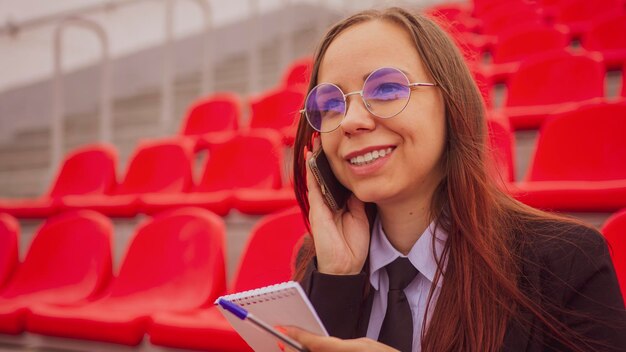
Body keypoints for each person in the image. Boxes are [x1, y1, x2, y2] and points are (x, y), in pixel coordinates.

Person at [284, 6, 626, 352]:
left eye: (386, 90)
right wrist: (337, 280)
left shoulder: (567, 262)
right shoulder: (320, 262)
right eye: (330, 104)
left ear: (451, 103)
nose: (350, 121)